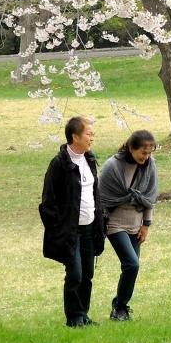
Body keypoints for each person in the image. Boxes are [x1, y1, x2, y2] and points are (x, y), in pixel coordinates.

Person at [39, 116, 106, 327]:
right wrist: (58, 228)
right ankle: (74, 317)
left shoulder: (90, 159)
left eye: (92, 134)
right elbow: (48, 202)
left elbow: (94, 193)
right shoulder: (59, 164)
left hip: (90, 227)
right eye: (88, 134)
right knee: (75, 273)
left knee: (87, 273)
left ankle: (83, 315)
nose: (92, 138)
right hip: (70, 230)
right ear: (75, 136)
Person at [98, 129, 160, 321]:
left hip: (136, 224)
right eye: (143, 152)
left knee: (132, 268)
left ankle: (120, 307)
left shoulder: (150, 165)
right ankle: (119, 307)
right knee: (132, 264)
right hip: (115, 223)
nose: (146, 157)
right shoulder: (113, 166)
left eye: (149, 153)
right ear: (131, 148)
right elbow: (102, 198)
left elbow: (149, 197)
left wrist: (146, 224)